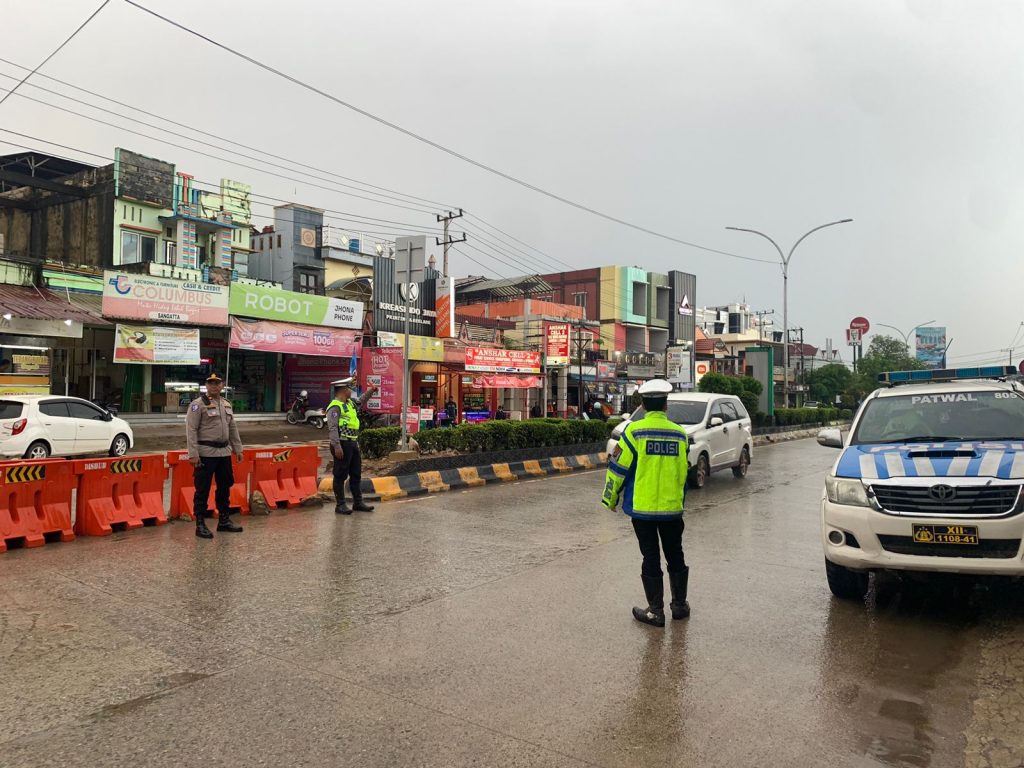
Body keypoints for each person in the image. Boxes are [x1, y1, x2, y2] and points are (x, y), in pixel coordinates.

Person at [601, 378, 690, 626]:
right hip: (672, 509)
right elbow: (683, 472)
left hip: (643, 510)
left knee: (650, 556)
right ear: (665, 405)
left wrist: (610, 498)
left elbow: (618, 468)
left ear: (643, 403)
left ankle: (655, 611)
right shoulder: (680, 434)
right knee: (676, 555)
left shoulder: (634, 432)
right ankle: (680, 606)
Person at [186, 373, 244, 539]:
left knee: (225, 486)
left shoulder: (226, 404)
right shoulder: (198, 405)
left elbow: (232, 427)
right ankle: (200, 523)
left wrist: (238, 449)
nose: (214, 386)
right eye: (211, 383)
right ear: (206, 385)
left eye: (217, 383)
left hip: (224, 453)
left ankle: (224, 520)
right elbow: (191, 430)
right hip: (205, 454)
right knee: (202, 489)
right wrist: (193, 454)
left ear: (222, 385)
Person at [327, 377, 378, 515]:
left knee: (356, 474)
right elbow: (332, 428)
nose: (352, 391)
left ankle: (358, 502)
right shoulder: (335, 406)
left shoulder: (349, 404)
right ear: (344, 390)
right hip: (342, 444)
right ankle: (340, 505)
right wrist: (337, 446)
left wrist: (371, 391)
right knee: (340, 474)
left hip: (352, 443)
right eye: (350, 388)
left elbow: (361, 400)